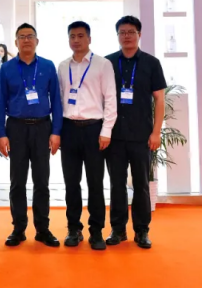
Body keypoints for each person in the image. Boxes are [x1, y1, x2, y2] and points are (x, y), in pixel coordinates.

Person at [0, 23, 63, 248]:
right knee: (17, 182)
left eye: (30, 36)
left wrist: (56, 132)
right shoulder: (7, 68)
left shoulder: (47, 66)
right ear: (15, 42)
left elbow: (56, 101)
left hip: (43, 127)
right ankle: (18, 228)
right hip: (16, 128)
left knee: (41, 181)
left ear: (37, 41)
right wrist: (1, 134)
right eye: (22, 37)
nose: (26, 40)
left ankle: (43, 229)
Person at [105, 16, 167, 250]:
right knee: (116, 184)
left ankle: (142, 230)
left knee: (141, 184)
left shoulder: (151, 63)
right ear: (117, 36)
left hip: (142, 135)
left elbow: (159, 99)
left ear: (139, 34)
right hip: (115, 136)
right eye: (122, 32)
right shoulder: (108, 63)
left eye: (131, 32)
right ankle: (118, 229)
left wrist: (156, 132)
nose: (127, 36)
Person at [57, 21, 117, 251]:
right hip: (69, 129)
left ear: (89, 39)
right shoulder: (63, 66)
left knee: (95, 183)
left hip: (94, 130)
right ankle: (74, 228)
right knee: (71, 183)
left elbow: (110, 99)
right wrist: (57, 132)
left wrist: (106, 131)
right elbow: (59, 100)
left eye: (81, 36)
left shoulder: (102, 64)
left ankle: (96, 231)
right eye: (72, 36)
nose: (76, 40)